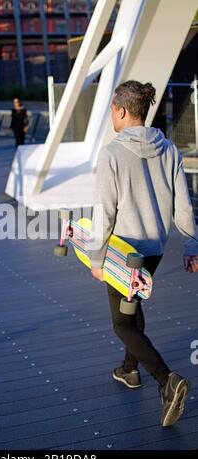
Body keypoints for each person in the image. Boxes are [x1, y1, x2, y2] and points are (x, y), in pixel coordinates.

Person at [89, 80, 198, 428]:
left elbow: (104, 211)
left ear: (121, 111)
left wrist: (95, 257)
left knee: (122, 323)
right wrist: (192, 245)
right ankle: (129, 370)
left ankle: (166, 379)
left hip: (123, 250)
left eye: (110, 109)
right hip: (154, 249)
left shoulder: (111, 153)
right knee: (132, 306)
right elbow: (183, 206)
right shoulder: (169, 149)